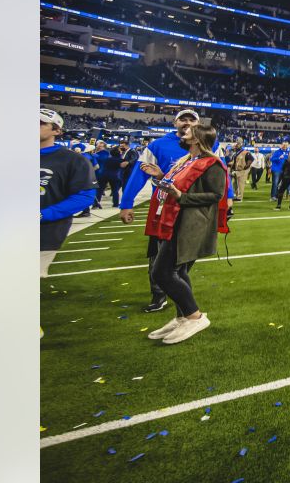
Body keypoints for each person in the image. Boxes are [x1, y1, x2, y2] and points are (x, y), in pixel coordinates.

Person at [119, 109, 228, 314]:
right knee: (162, 263)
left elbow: (217, 188)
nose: (187, 124)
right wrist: (128, 202)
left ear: (198, 133)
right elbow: (143, 176)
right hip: (163, 210)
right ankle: (173, 306)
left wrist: (227, 199)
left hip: (184, 216)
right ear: (175, 122)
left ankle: (190, 314)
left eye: (192, 121)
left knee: (171, 268)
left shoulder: (208, 155)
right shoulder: (168, 150)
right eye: (183, 120)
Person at [140, 121, 229, 345]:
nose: (183, 131)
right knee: (178, 272)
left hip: (189, 225)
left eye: (189, 130)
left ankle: (194, 317)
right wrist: (161, 176)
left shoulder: (212, 163)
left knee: (162, 272)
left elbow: (216, 195)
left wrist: (181, 197)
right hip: (174, 220)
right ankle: (182, 317)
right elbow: (177, 186)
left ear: (198, 137)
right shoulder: (187, 160)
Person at [40, 109, 97, 279]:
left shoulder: (74, 160)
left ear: (57, 130)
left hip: (45, 230)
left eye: (41, 123)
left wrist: (42, 215)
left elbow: (84, 196)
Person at [96, 139, 132, 209]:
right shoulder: (121, 160)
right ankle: (115, 204)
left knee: (100, 190)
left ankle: (96, 204)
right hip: (114, 176)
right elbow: (123, 166)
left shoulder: (107, 159)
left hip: (103, 175)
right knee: (115, 190)